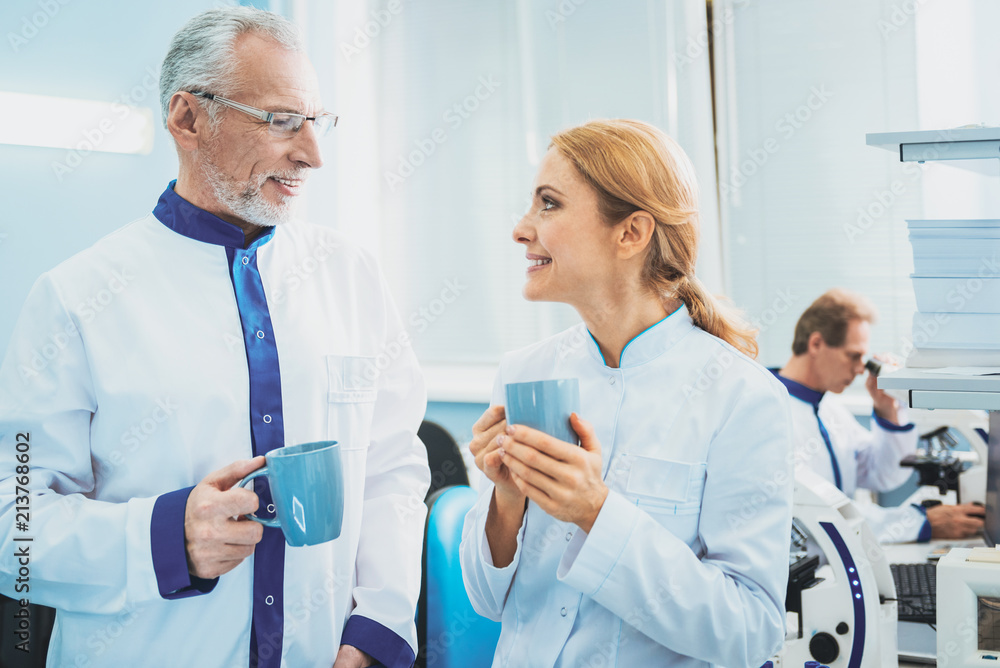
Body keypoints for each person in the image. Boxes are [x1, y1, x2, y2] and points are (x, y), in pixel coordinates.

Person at [0, 8, 429, 668]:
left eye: (317, 122)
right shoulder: (74, 299)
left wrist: (377, 628)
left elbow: (392, 470)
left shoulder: (353, 277)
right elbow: (15, 533)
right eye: (282, 120)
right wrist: (167, 539)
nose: (312, 154)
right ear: (188, 118)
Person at [460, 119, 794, 667]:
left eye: (549, 204)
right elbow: (485, 600)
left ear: (631, 234)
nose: (521, 229)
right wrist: (507, 499)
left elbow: (749, 632)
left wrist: (596, 512)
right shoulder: (523, 373)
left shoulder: (742, 398)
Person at [775, 288, 984, 542]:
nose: (861, 369)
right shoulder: (773, 413)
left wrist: (888, 409)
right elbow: (817, 511)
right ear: (816, 343)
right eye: (853, 356)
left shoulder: (830, 410)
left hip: (841, 556)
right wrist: (916, 522)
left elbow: (881, 474)